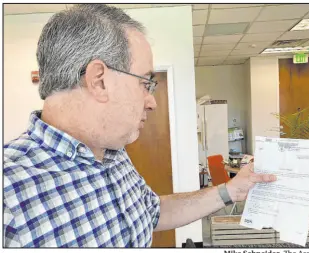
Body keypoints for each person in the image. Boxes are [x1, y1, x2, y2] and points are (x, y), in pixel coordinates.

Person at [3, 4, 277, 248]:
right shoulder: (9, 196)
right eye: (145, 83)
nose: (151, 102)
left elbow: (152, 210)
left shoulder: (112, 151)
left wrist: (230, 191)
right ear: (98, 80)